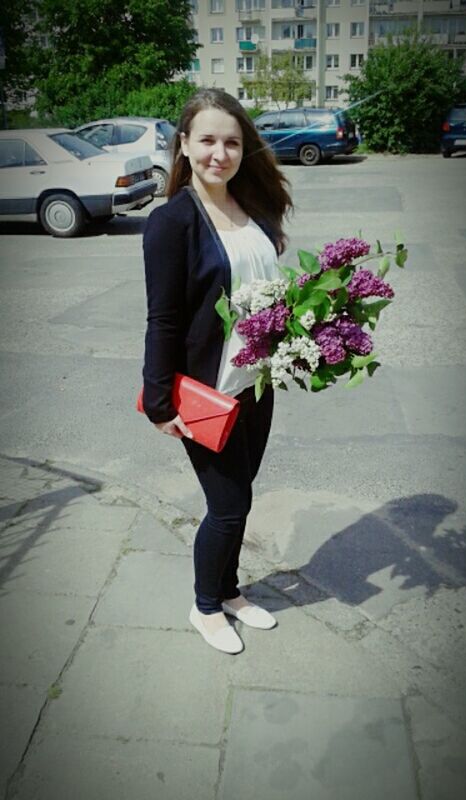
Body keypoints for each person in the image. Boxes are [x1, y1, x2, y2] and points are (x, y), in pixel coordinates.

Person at [142, 88, 292, 654]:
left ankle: (229, 591)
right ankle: (205, 606)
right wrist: (160, 402)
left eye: (231, 141)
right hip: (207, 392)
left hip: (257, 383)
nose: (219, 153)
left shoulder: (252, 207)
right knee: (226, 506)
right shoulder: (172, 222)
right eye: (206, 139)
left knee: (242, 496)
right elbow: (163, 318)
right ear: (184, 144)